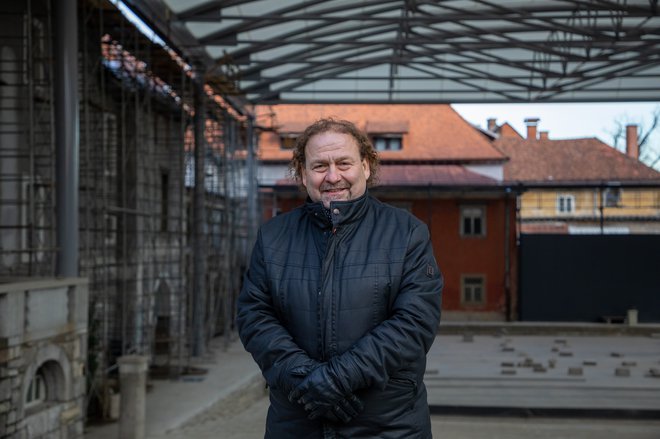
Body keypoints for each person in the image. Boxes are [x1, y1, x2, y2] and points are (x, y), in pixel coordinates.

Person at [237, 117, 443, 438]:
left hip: (388, 425)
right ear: (303, 174)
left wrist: (337, 379)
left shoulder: (407, 233)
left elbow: (415, 322)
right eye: (320, 166)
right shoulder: (273, 237)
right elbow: (254, 316)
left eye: (344, 163)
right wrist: (304, 378)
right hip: (298, 420)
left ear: (365, 166)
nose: (333, 176)